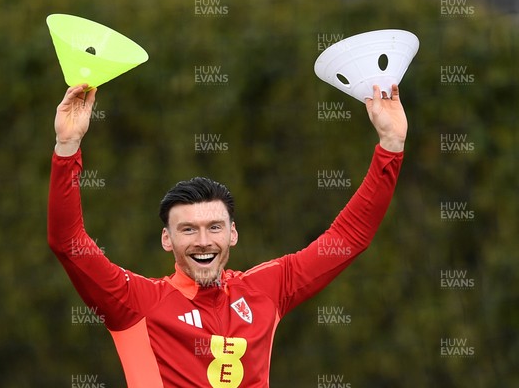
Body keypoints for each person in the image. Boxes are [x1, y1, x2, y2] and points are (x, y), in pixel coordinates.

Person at [48, 83, 407, 387]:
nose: (203, 240)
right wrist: (67, 147)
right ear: (166, 240)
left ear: (233, 233)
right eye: (187, 229)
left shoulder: (266, 289)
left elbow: (348, 239)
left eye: (214, 227)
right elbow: (68, 242)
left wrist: (390, 145)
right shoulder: (135, 303)